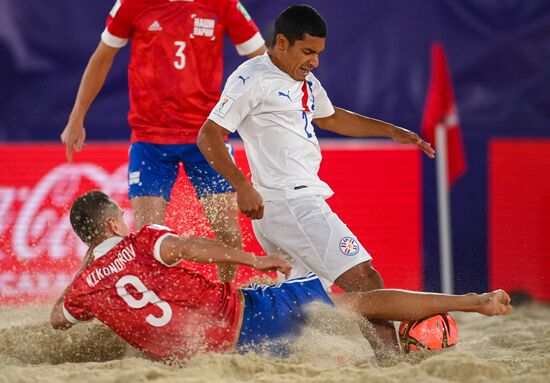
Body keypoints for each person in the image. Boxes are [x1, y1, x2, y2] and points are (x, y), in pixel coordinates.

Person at [196, 4, 436, 357]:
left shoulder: (304, 79)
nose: (315, 61)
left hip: (287, 205)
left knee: (304, 304)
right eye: (308, 51)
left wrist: (391, 131)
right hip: (291, 202)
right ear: (281, 42)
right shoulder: (252, 78)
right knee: (365, 280)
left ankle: (238, 350)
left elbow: (332, 117)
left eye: (319, 53)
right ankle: (392, 363)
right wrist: (242, 186)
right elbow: (208, 135)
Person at [50, 190, 511, 361]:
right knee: (356, 303)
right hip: (248, 321)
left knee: (316, 318)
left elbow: (56, 318)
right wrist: (252, 260)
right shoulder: (142, 240)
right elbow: (191, 247)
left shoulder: (83, 291)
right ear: (114, 224)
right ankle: (473, 301)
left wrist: (90, 264)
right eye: (120, 219)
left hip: (205, 356)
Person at [60, 0, 267, 281]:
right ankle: (157, 304)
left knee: (229, 233)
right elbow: (102, 57)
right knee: (150, 240)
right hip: (150, 140)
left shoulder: (223, 4)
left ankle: (226, 299)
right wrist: (76, 116)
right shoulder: (132, 4)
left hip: (207, 138)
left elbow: (262, 61)